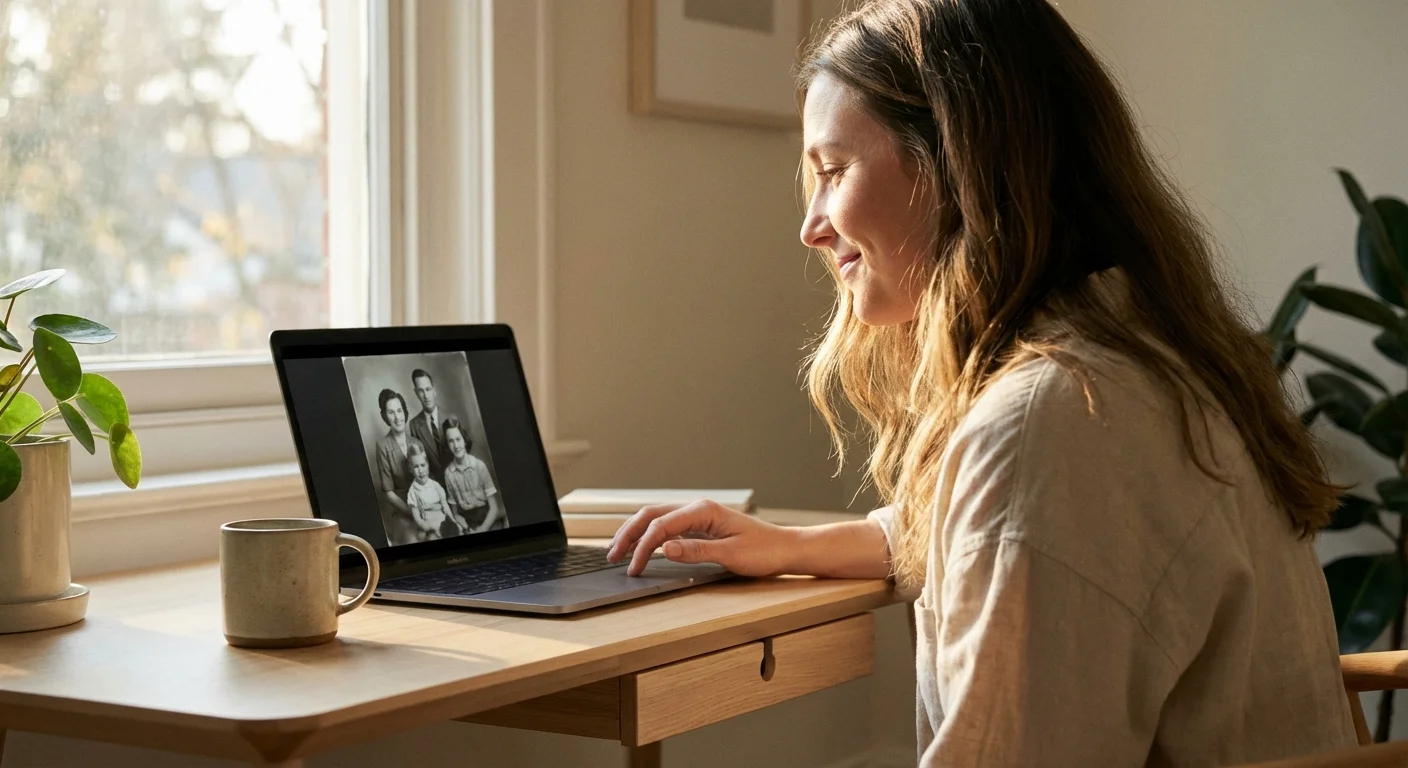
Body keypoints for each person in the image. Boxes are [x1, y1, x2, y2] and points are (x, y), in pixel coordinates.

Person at [607, 0, 1356, 765]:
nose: (814, 224)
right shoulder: (1146, 354)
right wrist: (791, 545)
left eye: (833, 171)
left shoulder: (1051, 424)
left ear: (957, 165)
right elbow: (1008, 541)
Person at [374, 388, 426, 546]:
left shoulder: (417, 443)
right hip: (402, 510)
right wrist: (413, 513)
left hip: (424, 505)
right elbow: (389, 493)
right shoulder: (382, 446)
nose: (397, 417)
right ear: (385, 416)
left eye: (399, 410)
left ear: (404, 411)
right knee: (414, 540)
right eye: (391, 413)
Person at [441, 416, 506, 533]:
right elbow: (455, 513)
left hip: (487, 517)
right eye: (451, 441)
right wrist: (466, 527)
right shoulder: (449, 474)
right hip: (468, 521)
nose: (456, 446)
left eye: (458, 439)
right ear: (447, 445)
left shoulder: (479, 466)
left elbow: (494, 508)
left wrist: (482, 529)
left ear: (465, 440)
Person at [404, 441, 463, 541]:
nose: (420, 470)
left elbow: (445, 506)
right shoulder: (412, 492)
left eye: (422, 465)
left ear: (428, 465)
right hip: (429, 525)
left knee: (459, 531)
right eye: (416, 467)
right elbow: (417, 518)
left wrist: (453, 521)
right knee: (432, 539)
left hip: (443, 521)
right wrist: (428, 526)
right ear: (410, 469)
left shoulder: (435, 486)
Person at [408, 368, 452, 483]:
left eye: (428, 389)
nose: (426, 395)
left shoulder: (450, 418)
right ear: (416, 393)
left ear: (434, 390)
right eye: (421, 391)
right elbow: (420, 461)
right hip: (434, 485)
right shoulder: (414, 425)